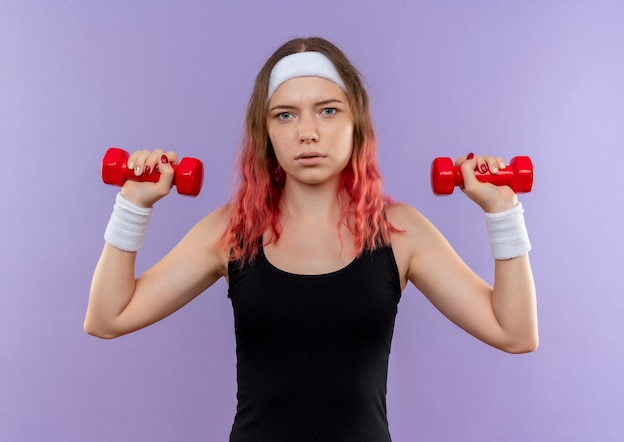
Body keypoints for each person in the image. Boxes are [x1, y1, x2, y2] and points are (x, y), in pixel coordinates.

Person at [85, 36, 538, 442]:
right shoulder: (232, 231)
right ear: (267, 133)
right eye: (285, 115)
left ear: (355, 121)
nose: (307, 132)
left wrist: (503, 211)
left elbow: (515, 333)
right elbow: (108, 317)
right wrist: (133, 205)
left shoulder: (401, 232)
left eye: (328, 110)